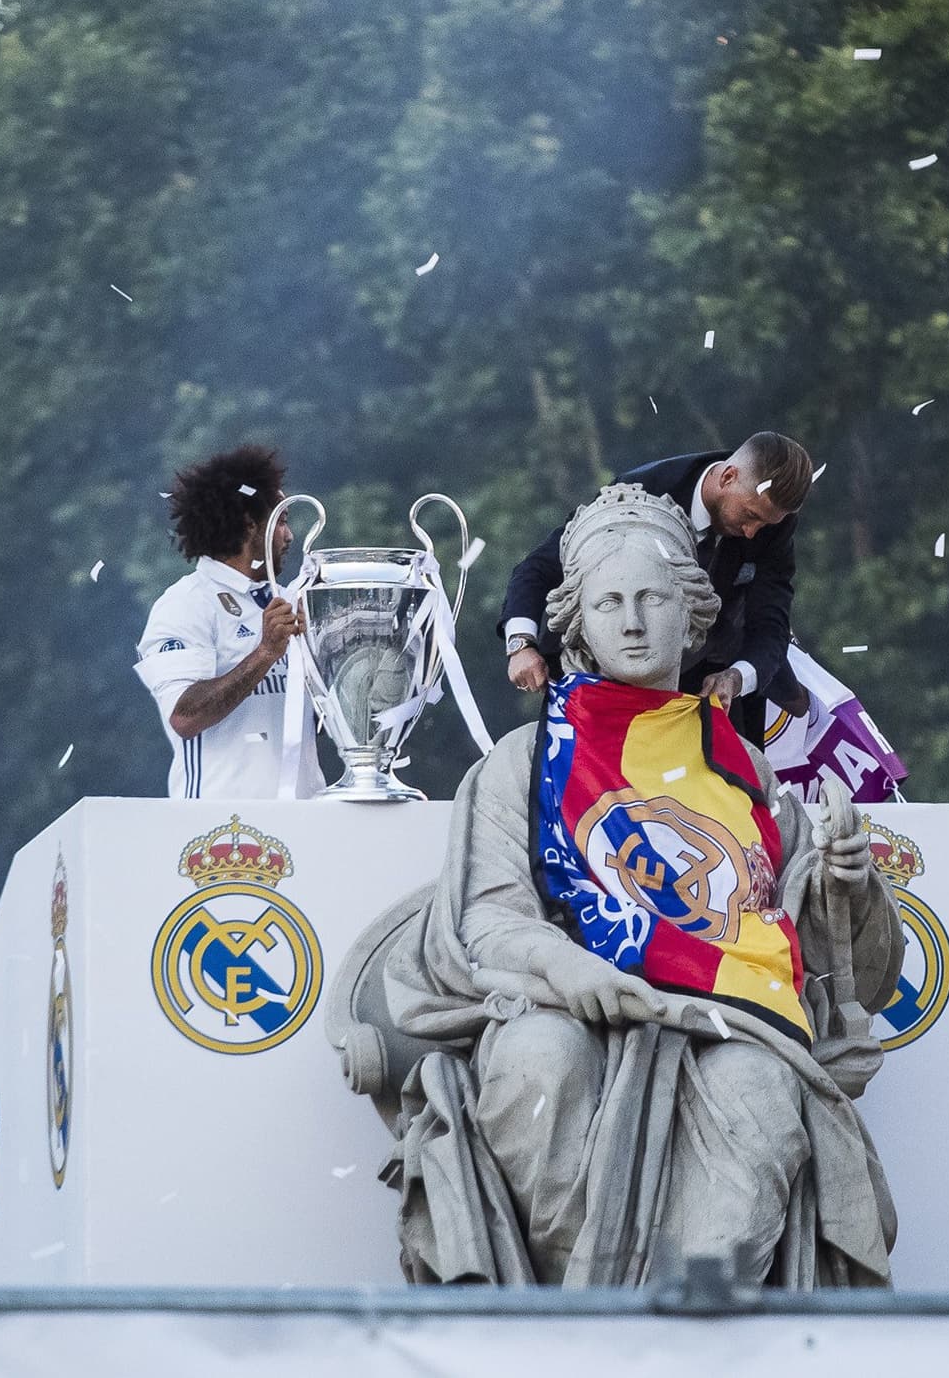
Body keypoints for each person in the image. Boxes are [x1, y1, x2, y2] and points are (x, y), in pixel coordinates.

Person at [338, 484, 902, 1286]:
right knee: (540, 1062)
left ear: (693, 612)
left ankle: (683, 1326)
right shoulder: (522, 764)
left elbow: (825, 956)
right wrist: (574, 970)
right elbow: (488, 922)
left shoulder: (750, 773)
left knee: (759, 1091)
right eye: (608, 602)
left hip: (733, 1017)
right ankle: (584, 1324)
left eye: (651, 598)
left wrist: (847, 885)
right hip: (565, 1003)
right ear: (577, 623)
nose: (631, 621)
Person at [500, 432, 813, 744]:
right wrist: (521, 644)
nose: (751, 533)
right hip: (600, 681)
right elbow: (537, 569)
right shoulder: (635, 493)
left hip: (712, 685)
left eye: (765, 525)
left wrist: (737, 677)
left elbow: (771, 621)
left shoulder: (773, 523)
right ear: (728, 476)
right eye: (750, 516)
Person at [134, 444, 325, 799]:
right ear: (250, 524)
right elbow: (185, 717)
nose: (290, 536)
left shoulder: (293, 600)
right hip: (221, 829)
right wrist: (265, 652)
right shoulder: (186, 604)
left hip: (307, 819)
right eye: (281, 521)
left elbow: (315, 722)